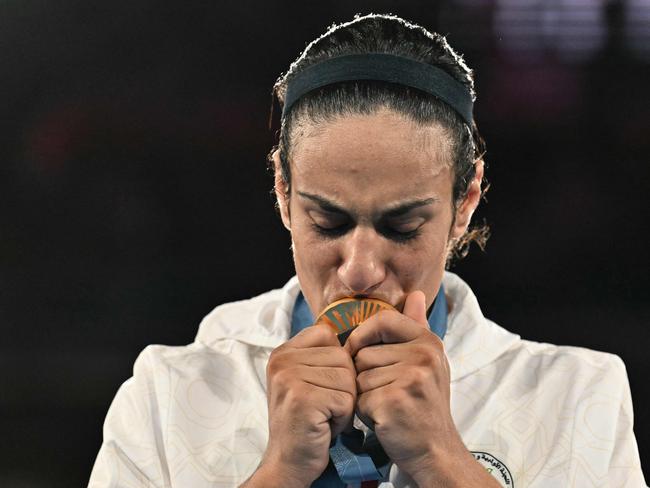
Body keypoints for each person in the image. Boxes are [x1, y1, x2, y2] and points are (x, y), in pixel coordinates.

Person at [88, 14, 646, 488]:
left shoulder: (576, 396)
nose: (359, 269)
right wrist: (279, 472)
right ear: (282, 190)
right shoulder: (167, 395)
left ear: (466, 200)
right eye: (326, 221)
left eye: (402, 227)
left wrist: (443, 461)